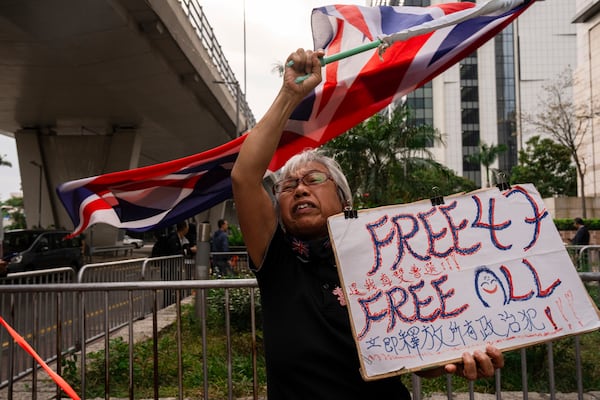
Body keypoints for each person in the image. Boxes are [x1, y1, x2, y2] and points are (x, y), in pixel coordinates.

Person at [231, 48, 504, 399]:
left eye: (313, 179)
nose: (299, 188)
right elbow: (244, 178)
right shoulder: (277, 262)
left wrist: (460, 357)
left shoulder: (388, 261)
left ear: (346, 202)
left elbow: (424, 355)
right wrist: (290, 94)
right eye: (288, 186)